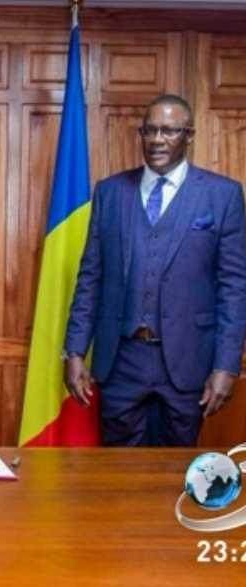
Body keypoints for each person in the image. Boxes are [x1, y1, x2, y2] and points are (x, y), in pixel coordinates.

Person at [64, 94, 246, 447]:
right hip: (121, 361)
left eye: (169, 131)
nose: (157, 140)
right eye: (149, 131)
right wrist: (74, 351)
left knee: (174, 469)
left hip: (187, 362)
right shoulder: (110, 192)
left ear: (189, 136)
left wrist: (226, 366)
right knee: (118, 471)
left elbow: (234, 289)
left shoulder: (222, 195)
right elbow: (90, 278)